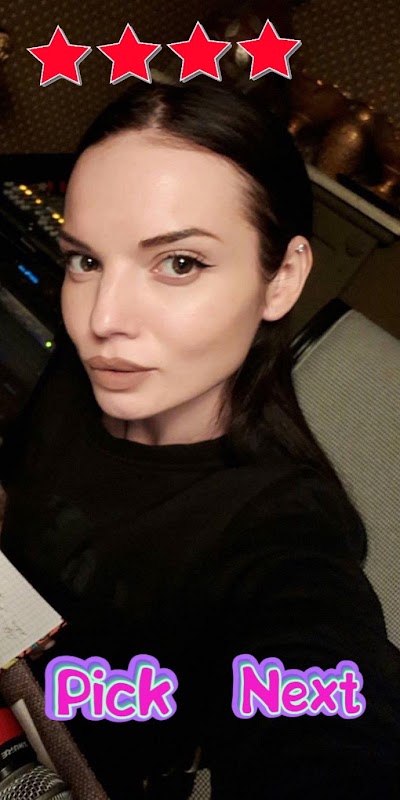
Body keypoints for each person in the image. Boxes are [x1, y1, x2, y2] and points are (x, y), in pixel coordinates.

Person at [0, 77, 399, 799]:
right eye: (87, 260)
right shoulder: (91, 375)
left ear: (282, 278)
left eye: (179, 263)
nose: (102, 319)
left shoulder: (282, 534)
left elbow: (327, 721)